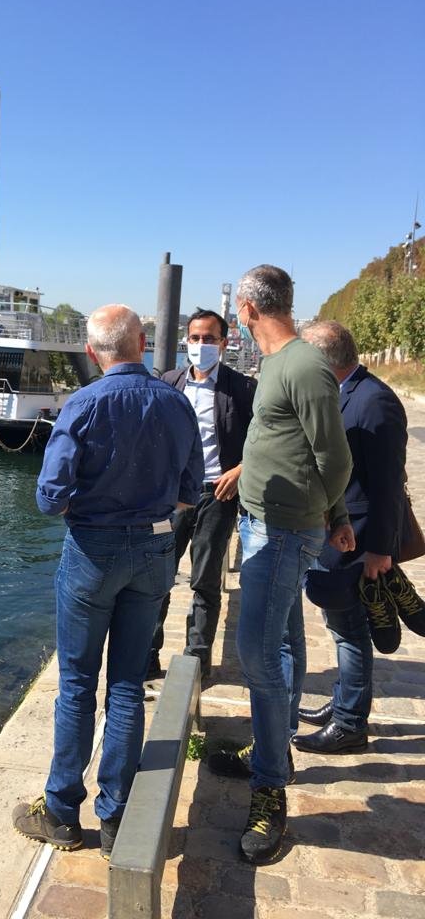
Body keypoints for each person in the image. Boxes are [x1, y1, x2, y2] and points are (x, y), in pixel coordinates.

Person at [12, 304, 203, 858]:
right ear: (142, 344)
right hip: (154, 550)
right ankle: (116, 817)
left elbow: (49, 499)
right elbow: (193, 490)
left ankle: (62, 812)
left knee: (77, 683)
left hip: (92, 553)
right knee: (126, 683)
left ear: (94, 352)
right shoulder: (176, 403)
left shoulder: (83, 404)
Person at [214, 265, 354, 865]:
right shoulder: (274, 364)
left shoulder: (301, 365)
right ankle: (278, 751)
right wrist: (251, 471)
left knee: (258, 658)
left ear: (246, 308)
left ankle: (270, 790)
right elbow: (288, 440)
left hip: (283, 532)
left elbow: (334, 455)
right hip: (263, 521)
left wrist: (327, 515)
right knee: (287, 647)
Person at [291, 321, 424, 753]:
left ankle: (350, 723)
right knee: (341, 625)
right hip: (337, 533)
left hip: (359, 538)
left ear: (324, 358)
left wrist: (379, 551)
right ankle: (344, 700)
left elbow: (388, 485)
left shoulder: (374, 402)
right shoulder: (342, 393)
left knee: (351, 631)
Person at [147, 309, 256, 681]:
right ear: (185, 342)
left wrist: (239, 471)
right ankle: (147, 655)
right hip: (172, 497)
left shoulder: (241, 389)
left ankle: (196, 658)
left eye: (209, 338)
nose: (200, 345)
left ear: (224, 343)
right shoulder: (169, 382)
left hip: (216, 495)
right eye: (194, 338)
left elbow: (262, 439)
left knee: (205, 581)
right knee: (158, 576)